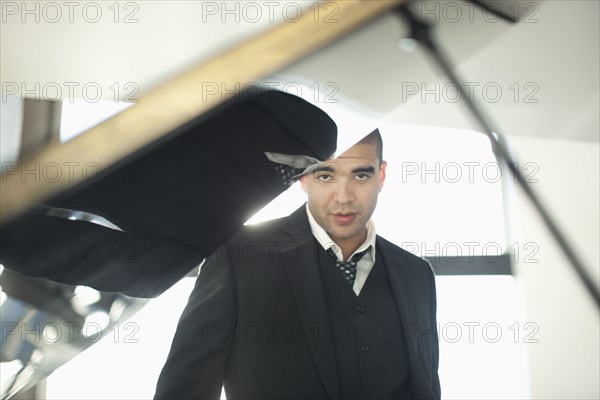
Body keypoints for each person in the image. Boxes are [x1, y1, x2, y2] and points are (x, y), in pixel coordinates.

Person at [154, 129, 441, 400]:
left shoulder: (416, 275)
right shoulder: (239, 255)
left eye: (360, 175)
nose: (343, 196)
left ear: (381, 175)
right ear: (303, 178)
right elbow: (184, 390)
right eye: (326, 175)